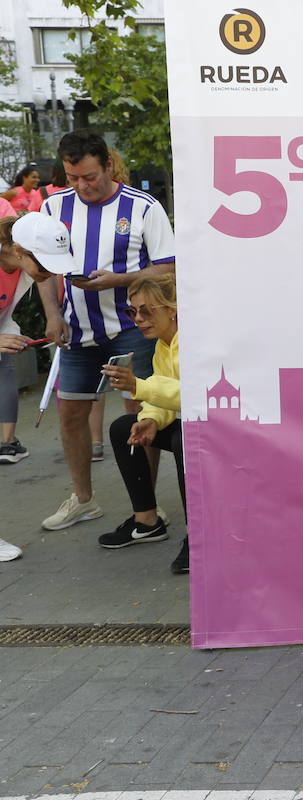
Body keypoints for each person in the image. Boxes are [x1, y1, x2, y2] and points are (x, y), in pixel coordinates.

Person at [35, 130, 175, 532]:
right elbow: (42, 270)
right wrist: (52, 314)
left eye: (90, 177)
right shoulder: (52, 207)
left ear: (108, 166)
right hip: (76, 329)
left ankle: (145, 506)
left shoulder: (143, 206)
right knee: (71, 414)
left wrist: (118, 280)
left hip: (133, 327)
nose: (82, 186)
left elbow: (168, 267)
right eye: (72, 177)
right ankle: (82, 499)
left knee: (140, 411)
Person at [0, 212, 79, 560]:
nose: (50, 271)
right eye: (44, 263)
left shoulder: (22, 266)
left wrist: (44, 318)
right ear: (18, 250)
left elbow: (40, 280)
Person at [98, 272, 187, 572]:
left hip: (226, 425)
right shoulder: (165, 344)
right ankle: (147, 521)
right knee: (124, 426)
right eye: (132, 311)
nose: (138, 318)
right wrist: (149, 419)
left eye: (147, 310)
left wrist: (138, 386)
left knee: (184, 439)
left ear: (172, 308)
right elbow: (165, 389)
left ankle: (198, 536)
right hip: (201, 421)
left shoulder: (192, 339)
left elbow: (196, 395)